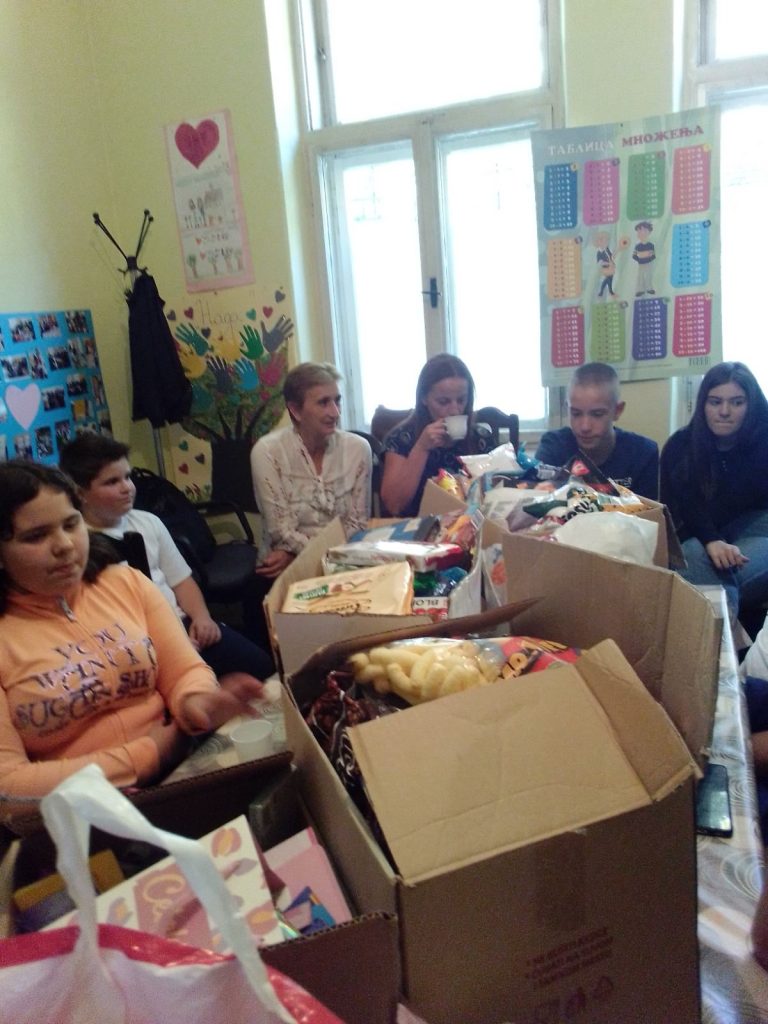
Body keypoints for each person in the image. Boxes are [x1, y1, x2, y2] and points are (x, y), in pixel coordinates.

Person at [0, 461, 263, 818]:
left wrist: (197, 702)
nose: (64, 545)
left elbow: (184, 670)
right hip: (84, 819)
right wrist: (149, 754)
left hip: (182, 775)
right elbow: (9, 790)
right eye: (35, 536)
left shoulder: (125, 582)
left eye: (71, 524)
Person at [59, 434, 274, 680]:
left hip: (182, 623)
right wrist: (172, 645)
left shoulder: (148, 522)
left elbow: (181, 581)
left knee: (263, 668)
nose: (127, 488)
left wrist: (202, 617)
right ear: (81, 493)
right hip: (139, 644)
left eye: (127, 477)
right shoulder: (77, 545)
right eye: (112, 482)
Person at [660, 361, 768, 619]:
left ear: (751, 405)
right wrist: (712, 540)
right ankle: (724, 629)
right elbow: (680, 508)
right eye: (715, 402)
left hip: (755, 531)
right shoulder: (680, 445)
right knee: (691, 558)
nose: (724, 411)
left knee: (703, 577)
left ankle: (710, 627)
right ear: (703, 405)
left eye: (737, 402)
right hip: (695, 534)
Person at [250, 361, 372, 580]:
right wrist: (311, 556)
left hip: (343, 562)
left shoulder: (358, 449)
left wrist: (303, 555)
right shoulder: (267, 452)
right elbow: (281, 532)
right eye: (323, 403)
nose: (335, 412)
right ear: (296, 410)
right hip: (286, 570)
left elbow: (357, 524)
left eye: (337, 400)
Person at [379, 354, 491, 517]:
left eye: (461, 400)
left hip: (471, 524)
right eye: (443, 402)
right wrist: (421, 447)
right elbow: (394, 505)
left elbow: (498, 496)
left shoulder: (481, 438)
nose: (455, 410)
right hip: (418, 526)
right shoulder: (401, 439)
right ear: (424, 398)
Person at [535, 362, 659, 499]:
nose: (585, 427)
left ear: (617, 411)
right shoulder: (554, 446)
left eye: (597, 414)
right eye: (576, 414)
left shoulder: (643, 454)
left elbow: (650, 510)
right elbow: (534, 499)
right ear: (567, 408)